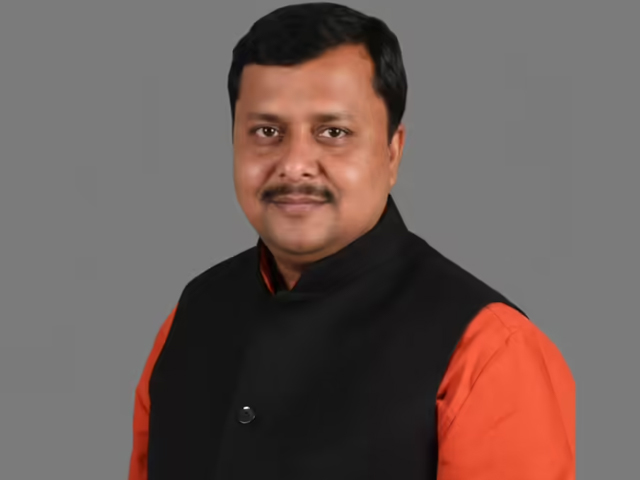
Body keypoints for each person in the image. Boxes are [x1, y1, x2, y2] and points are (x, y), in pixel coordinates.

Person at [127, 3, 575, 479]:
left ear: (392, 151)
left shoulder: (487, 351)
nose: (294, 165)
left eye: (333, 132)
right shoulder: (192, 315)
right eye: (267, 131)